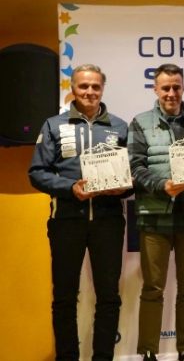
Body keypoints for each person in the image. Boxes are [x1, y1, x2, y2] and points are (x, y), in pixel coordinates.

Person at [29, 64, 132, 361]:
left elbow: (130, 175)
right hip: (66, 221)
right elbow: (36, 172)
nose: (89, 92)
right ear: (72, 89)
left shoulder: (119, 126)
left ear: (102, 89)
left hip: (108, 222)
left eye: (95, 87)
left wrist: (123, 188)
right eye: (83, 86)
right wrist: (70, 188)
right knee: (63, 298)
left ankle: (103, 357)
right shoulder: (53, 125)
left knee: (109, 297)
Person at [128, 64, 184, 361]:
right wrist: (161, 185)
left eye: (176, 87)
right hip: (154, 218)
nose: (171, 93)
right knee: (153, 288)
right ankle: (149, 352)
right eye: (165, 87)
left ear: (183, 88)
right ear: (155, 90)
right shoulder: (140, 122)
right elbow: (135, 167)